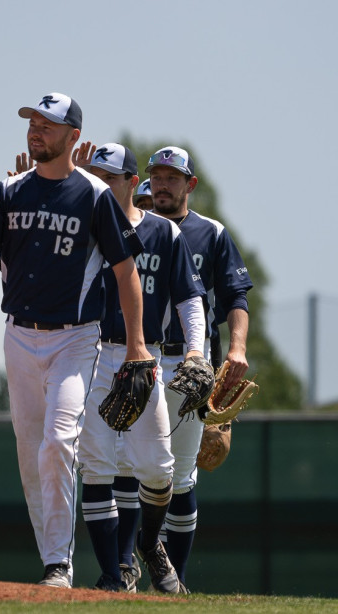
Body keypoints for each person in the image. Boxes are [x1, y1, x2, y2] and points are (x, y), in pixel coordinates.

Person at [0, 93, 151, 588]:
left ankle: (59, 564)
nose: (36, 130)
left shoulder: (93, 194)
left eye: (48, 124)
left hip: (75, 340)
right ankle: (52, 559)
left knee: (59, 444)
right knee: (29, 453)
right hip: (18, 336)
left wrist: (137, 344)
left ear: (73, 137)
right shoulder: (9, 189)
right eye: (33, 122)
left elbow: (126, 271)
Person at [74, 142, 205, 594]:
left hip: (142, 356)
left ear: (132, 183)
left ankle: (149, 545)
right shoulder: (83, 228)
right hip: (88, 352)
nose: (99, 185)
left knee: (159, 470)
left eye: (108, 178)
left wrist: (195, 351)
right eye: (93, 177)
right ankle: (114, 574)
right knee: (96, 466)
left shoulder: (164, 233)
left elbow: (190, 298)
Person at [145, 146, 253, 586]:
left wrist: (237, 349)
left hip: (192, 366)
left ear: (190, 184)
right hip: (141, 358)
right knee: (131, 468)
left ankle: (174, 578)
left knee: (184, 475)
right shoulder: (134, 225)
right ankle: (126, 570)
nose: (163, 183)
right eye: (157, 175)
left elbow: (235, 297)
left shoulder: (211, 233)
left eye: (173, 177)